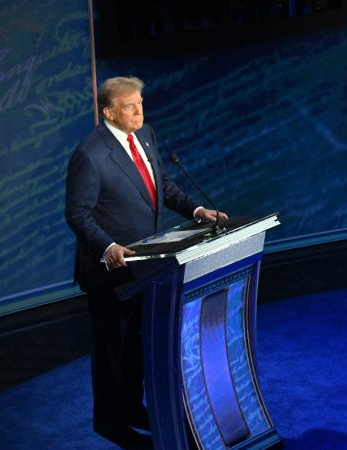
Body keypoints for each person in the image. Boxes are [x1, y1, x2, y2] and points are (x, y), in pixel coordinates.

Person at [65, 76, 227, 448]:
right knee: (112, 349)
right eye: (129, 106)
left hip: (149, 266)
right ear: (109, 112)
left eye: (140, 103)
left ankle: (131, 407)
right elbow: (78, 213)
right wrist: (108, 247)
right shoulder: (89, 155)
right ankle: (110, 421)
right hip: (111, 270)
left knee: (138, 344)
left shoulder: (147, 135)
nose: (139, 111)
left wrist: (198, 210)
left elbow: (164, 187)